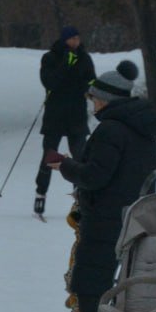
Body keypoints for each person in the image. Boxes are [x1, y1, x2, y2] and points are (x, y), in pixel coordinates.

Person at [47, 60, 156, 312]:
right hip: (138, 217)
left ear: (106, 100)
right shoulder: (144, 128)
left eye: (94, 98)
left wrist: (66, 167)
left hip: (107, 218)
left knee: (90, 283)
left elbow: (96, 176)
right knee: (125, 286)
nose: (92, 103)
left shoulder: (111, 129)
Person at [34, 25, 95, 217]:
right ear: (64, 40)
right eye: (72, 38)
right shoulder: (50, 58)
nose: (75, 42)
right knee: (50, 156)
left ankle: (81, 196)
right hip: (55, 116)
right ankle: (40, 193)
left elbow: (91, 81)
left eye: (77, 38)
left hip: (76, 115)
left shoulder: (84, 58)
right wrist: (65, 65)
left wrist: (85, 88)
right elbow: (50, 83)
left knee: (80, 158)